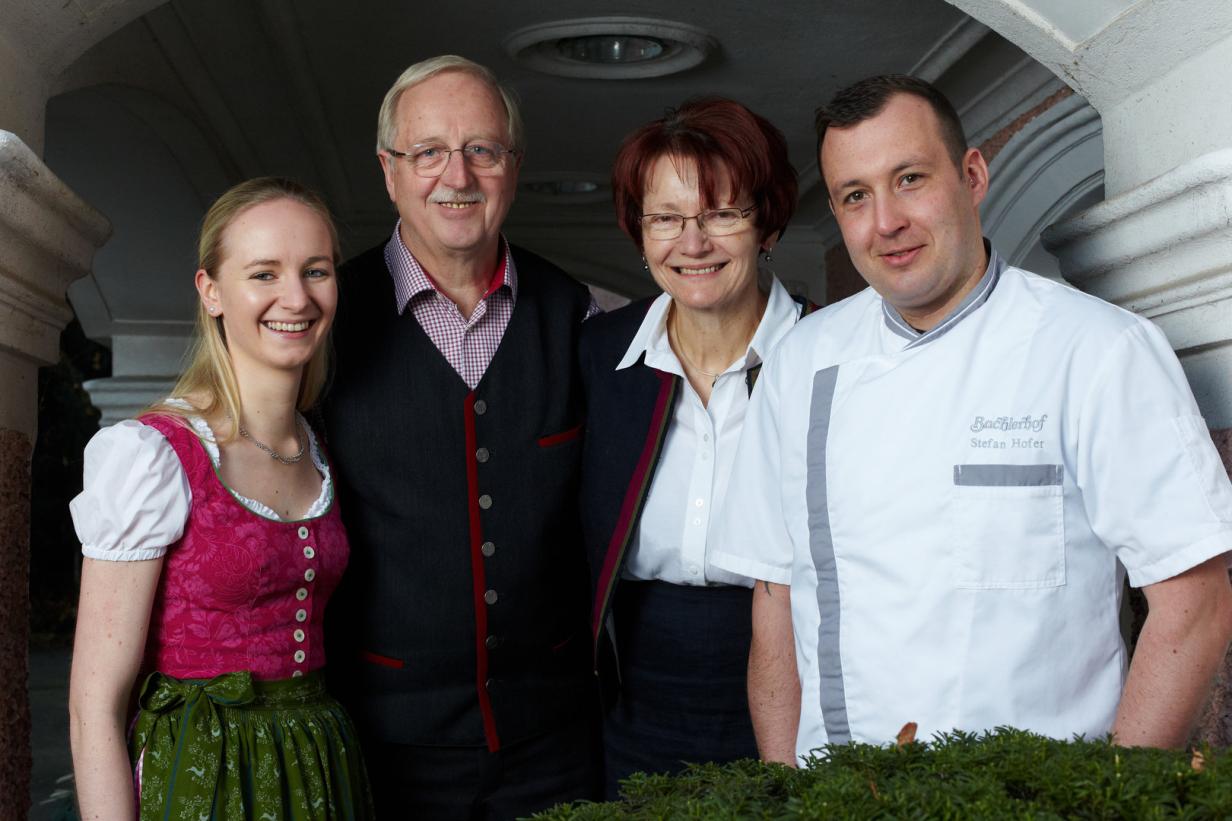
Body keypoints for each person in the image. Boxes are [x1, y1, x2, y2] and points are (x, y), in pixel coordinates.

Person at [711, 74, 1232, 764]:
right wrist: (785, 785)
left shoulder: (1099, 349)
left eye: (910, 179)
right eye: (855, 196)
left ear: (973, 174)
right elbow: (774, 599)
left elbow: (1195, 600)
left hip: (1039, 801)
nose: (885, 222)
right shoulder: (798, 362)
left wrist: (1112, 797)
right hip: (836, 793)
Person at [322, 55, 601, 818]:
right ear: (388, 170)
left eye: (482, 149)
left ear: (512, 167)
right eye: (428, 151)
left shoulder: (572, 313)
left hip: (556, 741)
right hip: (383, 744)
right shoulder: (328, 321)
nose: (458, 174)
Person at [68, 177, 372, 818]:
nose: (297, 297)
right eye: (264, 273)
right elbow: (93, 704)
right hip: (203, 775)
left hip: (319, 764)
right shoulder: (153, 454)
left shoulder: (317, 445)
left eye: (315, 270)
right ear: (211, 292)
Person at [579, 97, 811, 796]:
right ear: (640, 232)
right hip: (633, 707)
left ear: (766, 222)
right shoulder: (595, 359)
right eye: (667, 219)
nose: (694, 242)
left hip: (797, 691)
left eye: (722, 214)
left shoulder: (830, 358)